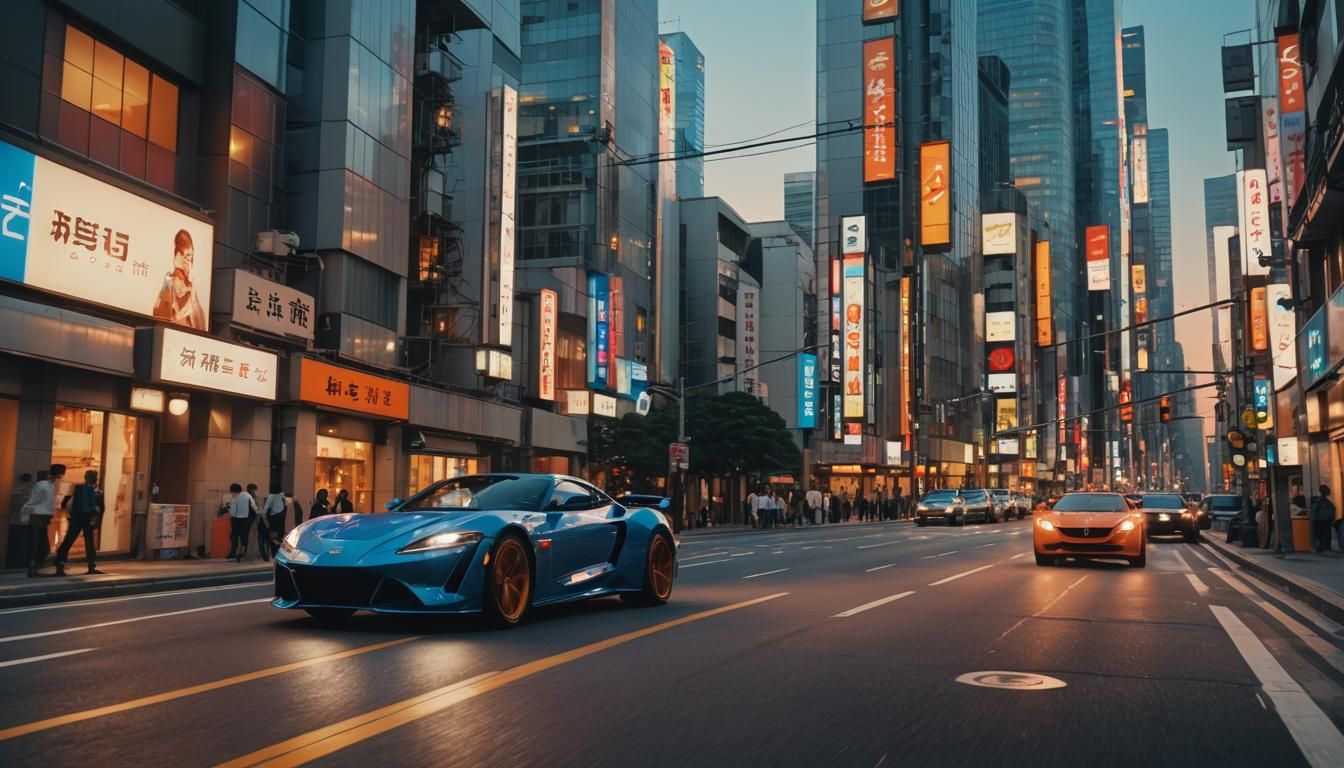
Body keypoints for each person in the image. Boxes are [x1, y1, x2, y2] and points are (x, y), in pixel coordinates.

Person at [151, 229, 207, 329]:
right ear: (175, 255)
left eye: (189, 256)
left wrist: (193, 299)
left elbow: (202, 328)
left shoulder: (191, 290)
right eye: (182, 254)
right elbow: (157, 316)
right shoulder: (169, 282)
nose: (186, 261)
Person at [55, 469, 104, 576]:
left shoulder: (77, 488)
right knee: (90, 543)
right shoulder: (98, 493)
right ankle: (91, 566)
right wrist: (96, 521)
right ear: (96, 479)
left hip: (76, 519)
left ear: (85, 478)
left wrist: (70, 514)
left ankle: (60, 564)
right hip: (89, 520)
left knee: (68, 541)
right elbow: (101, 509)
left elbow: (64, 503)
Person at [21, 466, 63, 577]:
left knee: (41, 545)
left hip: (44, 517)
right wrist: (26, 513)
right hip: (38, 516)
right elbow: (33, 500)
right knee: (37, 544)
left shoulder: (51, 486)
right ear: (58, 474)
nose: (61, 477)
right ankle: (32, 567)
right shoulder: (43, 485)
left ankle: (34, 567)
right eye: (61, 474)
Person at [227, 483, 256, 562]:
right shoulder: (246, 496)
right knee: (242, 535)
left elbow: (232, 509)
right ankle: (242, 552)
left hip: (237, 519)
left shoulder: (234, 498)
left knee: (235, 535)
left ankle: (234, 552)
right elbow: (254, 507)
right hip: (245, 519)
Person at [261, 484, 287, 561]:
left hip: (274, 518)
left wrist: (264, 517)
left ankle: (275, 553)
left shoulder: (271, 496)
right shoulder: (282, 495)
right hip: (282, 518)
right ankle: (280, 552)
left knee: (272, 536)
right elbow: (285, 504)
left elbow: (266, 508)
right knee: (279, 536)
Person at [1310, 485, 1336, 554]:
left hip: (1322, 520)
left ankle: (1323, 547)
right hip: (1322, 520)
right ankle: (1323, 547)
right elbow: (1315, 509)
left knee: (1322, 534)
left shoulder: (1323, 501)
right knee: (1323, 534)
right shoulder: (1320, 501)